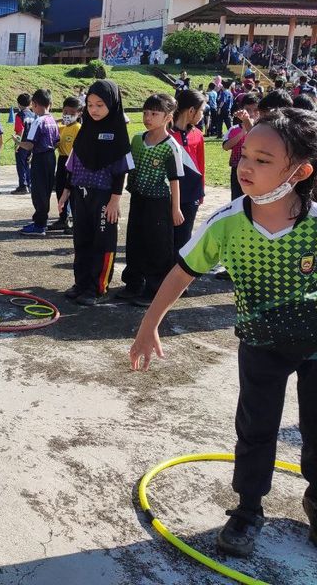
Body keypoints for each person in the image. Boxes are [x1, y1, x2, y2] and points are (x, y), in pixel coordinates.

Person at [130, 107, 317, 558]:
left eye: (263, 159)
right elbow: (182, 272)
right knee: (255, 428)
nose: (245, 166)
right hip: (260, 344)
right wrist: (148, 325)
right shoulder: (228, 221)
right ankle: (249, 509)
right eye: (244, 154)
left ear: (301, 171)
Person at [58, 80, 134, 307]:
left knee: (103, 242)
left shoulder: (118, 132)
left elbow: (121, 170)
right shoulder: (85, 130)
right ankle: (81, 283)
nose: (94, 110)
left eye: (100, 105)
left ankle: (97, 287)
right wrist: (65, 193)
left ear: (112, 104)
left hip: (104, 196)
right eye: (90, 105)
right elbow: (73, 165)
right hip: (79, 194)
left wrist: (115, 200)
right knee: (81, 240)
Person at [117, 93, 185, 306]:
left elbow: (175, 180)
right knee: (135, 239)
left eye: (154, 113)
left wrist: (176, 209)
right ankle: (133, 282)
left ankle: (155, 288)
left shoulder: (171, 146)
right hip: (138, 197)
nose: (148, 117)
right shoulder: (137, 139)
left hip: (159, 202)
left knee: (157, 245)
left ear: (167, 117)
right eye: (146, 113)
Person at [17, 89, 60, 237]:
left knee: (38, 192)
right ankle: (39, 220)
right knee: (45, 191)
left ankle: (40, 224)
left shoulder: (38, 121)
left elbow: (30, 145)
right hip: (50, 157)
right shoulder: (52, 120)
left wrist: (18, 143)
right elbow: (56, 142)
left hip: (40, 158)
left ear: (34, 104)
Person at [169, 90, 206, 254]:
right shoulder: (165, 133)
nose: (203, 114)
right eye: (202, 110)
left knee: (183, 240)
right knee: (165, 239)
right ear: (191, 111)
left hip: (191, 195)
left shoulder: (198, 134)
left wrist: (201, 192)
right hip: (168, 194)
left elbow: (201, 165)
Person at [47, 96, 82, 234]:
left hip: (73, 162)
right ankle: (63, 218)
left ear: (79, 113)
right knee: (60, 190)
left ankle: (76, 222)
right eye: (65, 112)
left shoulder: (78, 128)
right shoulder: (61, 128)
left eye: (72, 113)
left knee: (72, 193)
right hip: (61, 161)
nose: (68, 116)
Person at [224, 94, 260, 201]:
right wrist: (242, 132)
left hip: (256, 169)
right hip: (237, 169)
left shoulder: (263, 130)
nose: (252, 113)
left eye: (255, 110)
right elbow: (226, 146)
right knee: (237, 198)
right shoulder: (234, 129)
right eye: (248, 110)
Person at [12, 93, 35, 194]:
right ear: (30, 103)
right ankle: (29, 184)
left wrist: (17, 144)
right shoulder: (33, 114)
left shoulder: (19, 115)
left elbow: (19, 131)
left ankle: (23, 185)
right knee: (28, 164)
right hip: (31, 144)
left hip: (22, 144)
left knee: (21, 164)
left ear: (18, 104)